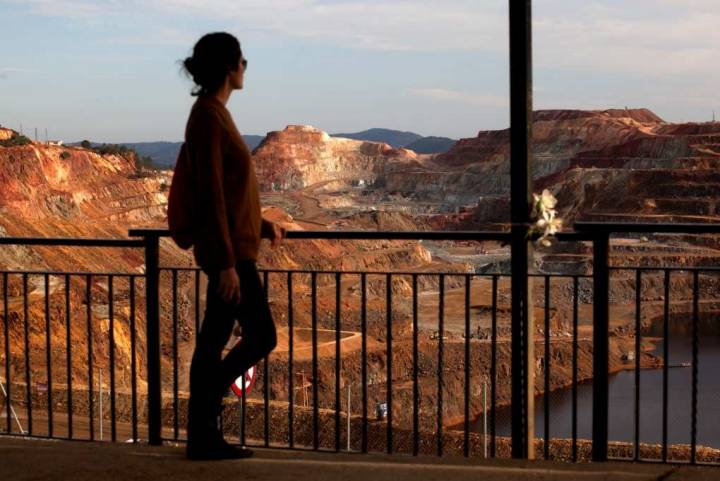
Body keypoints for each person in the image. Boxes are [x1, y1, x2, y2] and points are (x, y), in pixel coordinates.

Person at [178, 32, 283, 461]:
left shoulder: (215, 114)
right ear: (228, 67)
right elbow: (211, 194)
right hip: (231, 258)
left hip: (236, 249)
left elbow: (231, 193)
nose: (246, 68)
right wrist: (224, 265)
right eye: (243, 60)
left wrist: (259, 224)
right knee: (262, 336)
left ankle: (202, 434)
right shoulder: (208, 116)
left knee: (212, 340)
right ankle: (206, 412)